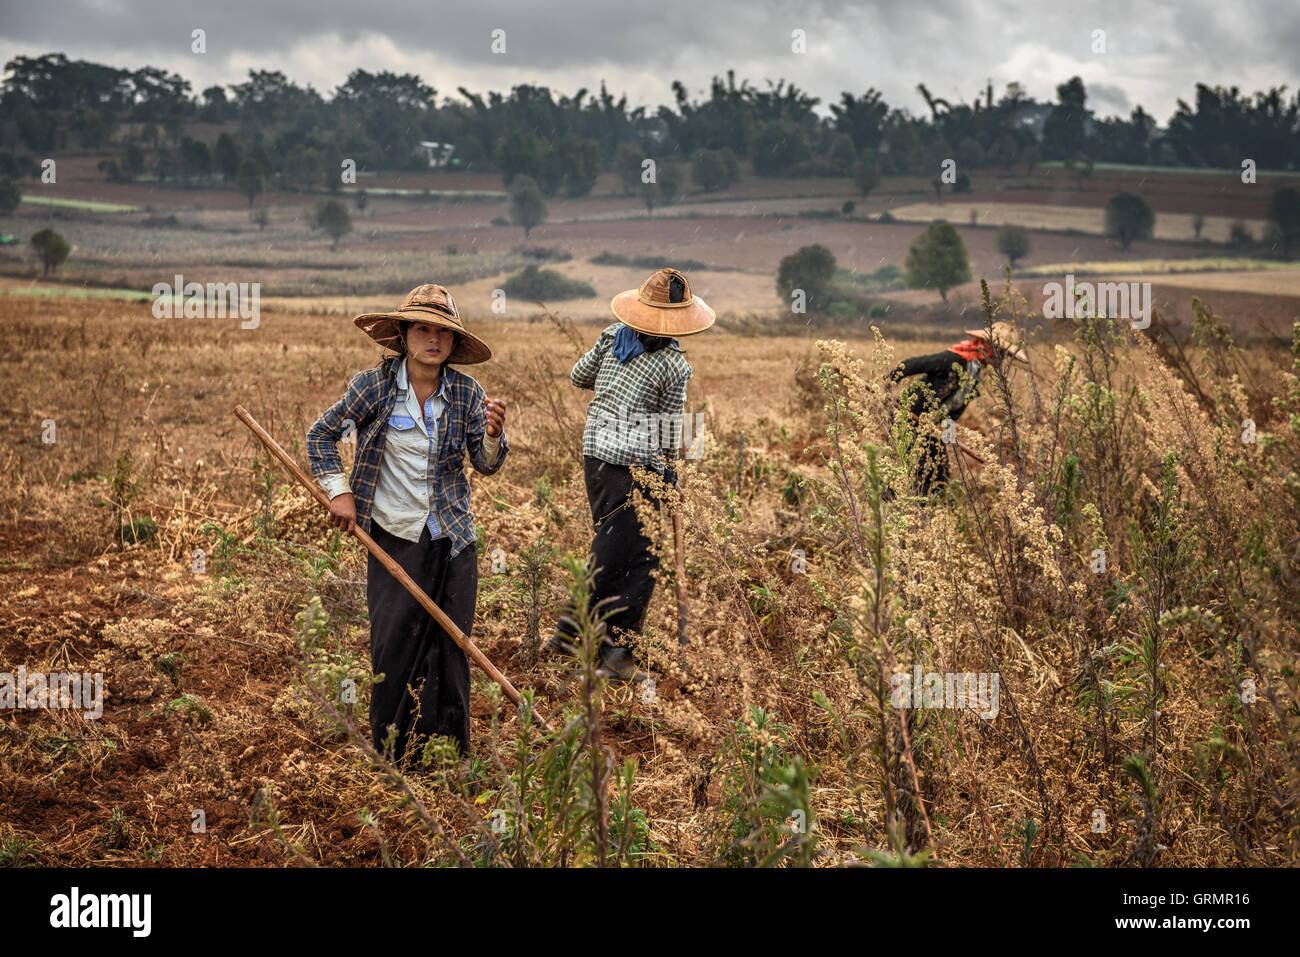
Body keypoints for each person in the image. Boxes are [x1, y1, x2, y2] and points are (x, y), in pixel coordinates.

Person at [306, 284, 508, 764]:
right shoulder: (373, 387)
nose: (433, 339)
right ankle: (394, 756)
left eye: (442, 331)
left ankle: (450, 757)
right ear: (401, 333)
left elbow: (482, 462)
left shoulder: (466, 393)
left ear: (454, 343)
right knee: (395, 643)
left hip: (453, 538)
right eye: (423, 328)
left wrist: (495, 436)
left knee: (451, 645)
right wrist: (340, 493)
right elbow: (322, 435)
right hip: (394, 538)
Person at [549, 267, 715, 680]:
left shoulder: (612, 337)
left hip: (598, 461)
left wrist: (611, 354)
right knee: (618, 552)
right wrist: (671, 479)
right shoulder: (673, 365)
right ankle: (576, 637)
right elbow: (669, 428)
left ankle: (614, 647)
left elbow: (578, 376)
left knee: (639, 555)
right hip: (631, 466)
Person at [887, 321, 1027, 496]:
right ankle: (891, 508)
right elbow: (912, 364)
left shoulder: (973, 375)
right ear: (989, 349)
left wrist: (949, 433)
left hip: (932, 427)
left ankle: (932, 512)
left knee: (939, 473)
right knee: (907, 467)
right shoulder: (953, 360)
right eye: (1001, 354)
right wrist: (886, 387)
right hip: (908, 418)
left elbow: (951, 410)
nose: (1002, 360)